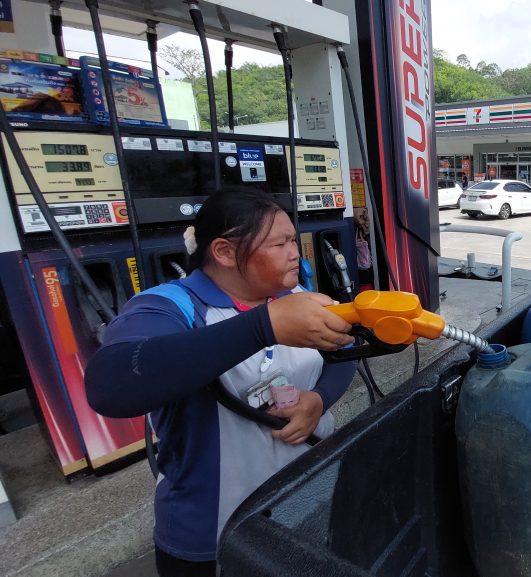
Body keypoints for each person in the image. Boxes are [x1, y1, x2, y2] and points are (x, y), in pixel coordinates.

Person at [85, 188, 356, 576]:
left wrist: (319, 399)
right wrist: (262, 327)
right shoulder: (170, 307)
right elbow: (110, 384)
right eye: (278, 244)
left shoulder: (294, 295)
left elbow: (344, 350)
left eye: (293, 241)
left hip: (306, 503)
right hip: (215, 534)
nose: (294, 253)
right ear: (225, 252)